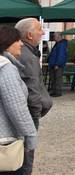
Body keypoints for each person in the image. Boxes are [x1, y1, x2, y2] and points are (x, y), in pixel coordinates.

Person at [15, 18, 52, 175]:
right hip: (29, 114)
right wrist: (36, 113)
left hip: (27, 112)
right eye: (39, 29)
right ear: (29, 35)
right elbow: (32, 89)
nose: (43, 32)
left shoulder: (26, 53)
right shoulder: (27, 56)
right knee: (26, 155)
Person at [0, 26, 37, 174]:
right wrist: (30, 136)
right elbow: (17, 108)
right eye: (17, 40)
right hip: (5, 142)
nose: (21, 44)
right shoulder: (5, 68)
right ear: (7, 43)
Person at [47, 32, 68, 97]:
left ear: (59, 36)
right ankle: (54, 91)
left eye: (54, 36)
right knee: (53, 78)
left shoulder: (61, 44)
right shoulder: (58, 43)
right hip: (53, 64)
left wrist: (57, 64)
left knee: (57, 78)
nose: (53, 37)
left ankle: (57, 92)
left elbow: (61, 55)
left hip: (57, 64)